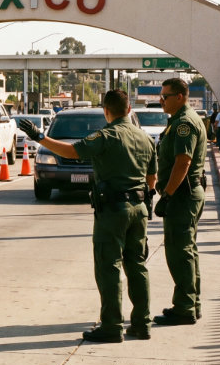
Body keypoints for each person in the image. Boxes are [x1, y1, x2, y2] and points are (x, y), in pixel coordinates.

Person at [18, 89, 156, 343]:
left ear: (106, 110)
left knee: (109, 266)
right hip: (140, 208)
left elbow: (71, 152)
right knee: (137, 265)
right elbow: (152, 177)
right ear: (129, 110)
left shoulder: (107, 135)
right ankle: (142, 323)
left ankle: (112, 325)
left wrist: (39, 137)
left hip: (114, 209)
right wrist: (146, 198)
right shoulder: (144, 138)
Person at [153, 78, 207, 326]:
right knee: (187, 250)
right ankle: (191, 303)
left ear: (180, 97)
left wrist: (168, 195)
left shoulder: (184, 123)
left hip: (182, 195)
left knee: (179, 251)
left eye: (165, 96)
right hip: (186, 194)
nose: (161, 100)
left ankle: (185, 307)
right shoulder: (179, 120)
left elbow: (183, 162)